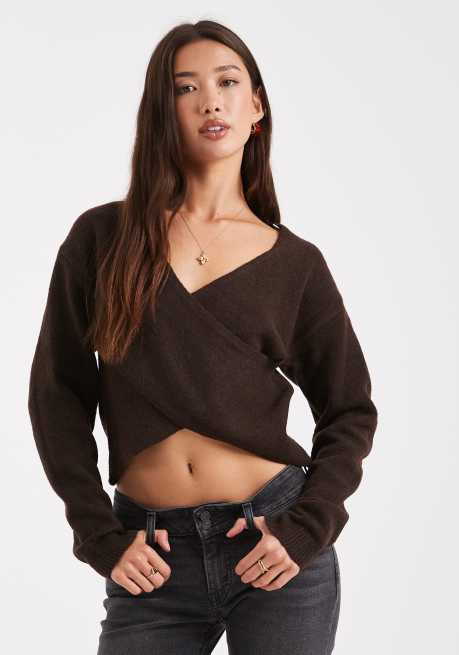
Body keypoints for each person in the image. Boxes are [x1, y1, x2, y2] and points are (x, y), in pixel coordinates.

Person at [27, 19, 378, 655]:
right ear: (162, 113)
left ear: (256, 107)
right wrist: (98, 535)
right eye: (185, 88)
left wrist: (307, 528)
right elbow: (57, 397)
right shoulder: (102, 240)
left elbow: (350, 408)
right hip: (151, 557)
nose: (209, 101)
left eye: (227, 82)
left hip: (272, 546)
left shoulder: (295, 264)